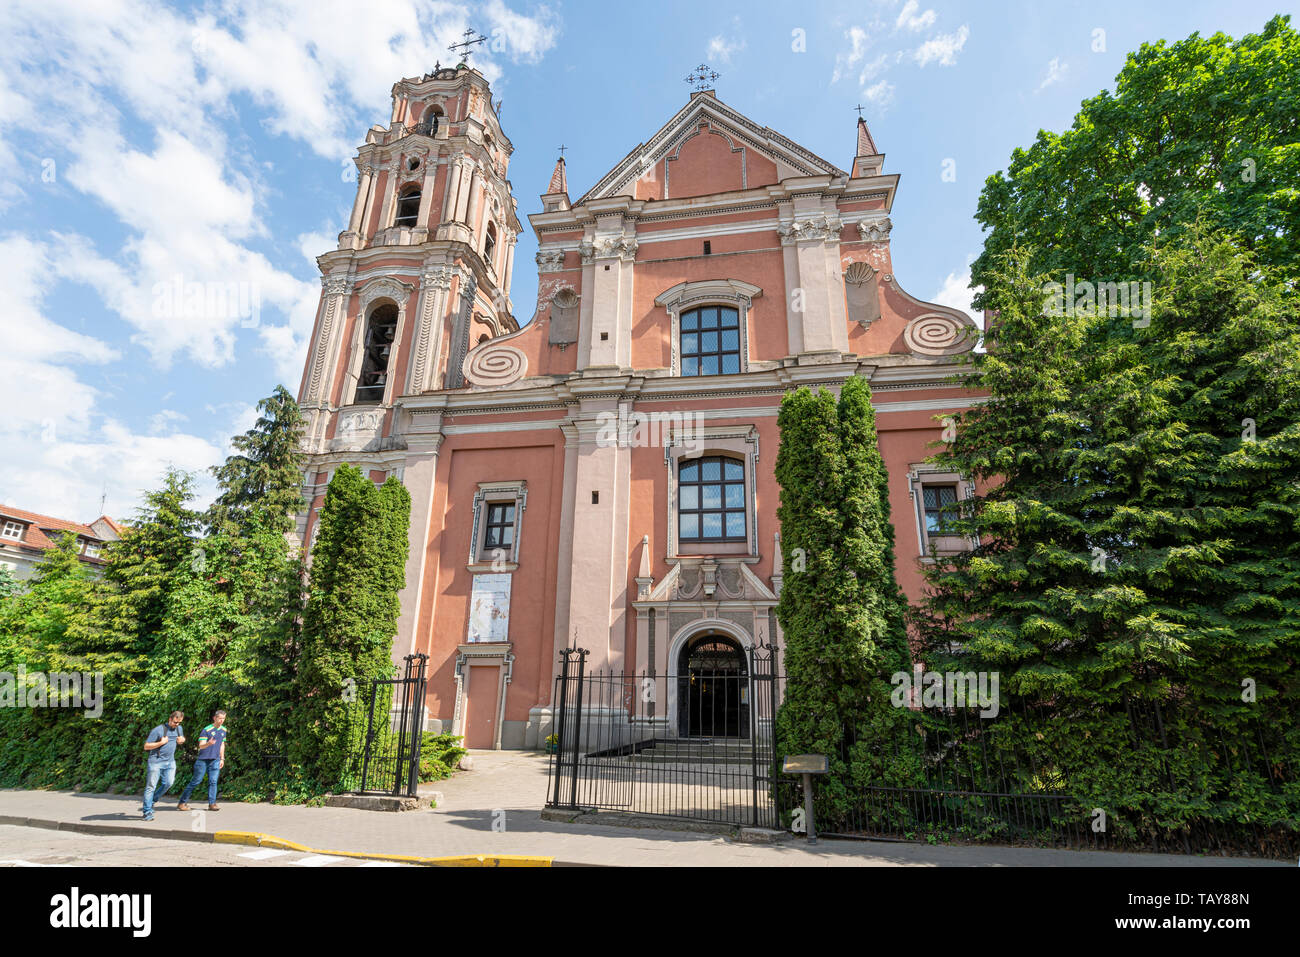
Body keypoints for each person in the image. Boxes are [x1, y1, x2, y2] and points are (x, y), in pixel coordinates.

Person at [178, 710, 228, 811]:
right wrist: (208, 744)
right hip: (203, 760)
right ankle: (182, 802)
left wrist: (222, 758)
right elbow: (201, 745)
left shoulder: (224, 730)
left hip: (215, 760)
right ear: (215, 718)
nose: (221, 721)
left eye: (223, 718)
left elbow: (222, 744)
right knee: (196, 781)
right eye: (220, 718)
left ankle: (212, 804)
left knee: (213, 782)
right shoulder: (207, 730)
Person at [142, 710, 185, 821]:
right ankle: (147, 812)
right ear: (170, 719)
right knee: (151, 787)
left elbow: (181, 739)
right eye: (175, 722)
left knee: (169, 783)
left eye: (179, 723)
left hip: (170, 762)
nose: (177, 725)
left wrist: (182, 740)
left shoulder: (179, 729)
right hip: (156, 762)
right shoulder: (158, 730)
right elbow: (146, 746)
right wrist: (160, 743)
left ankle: (152, 800)